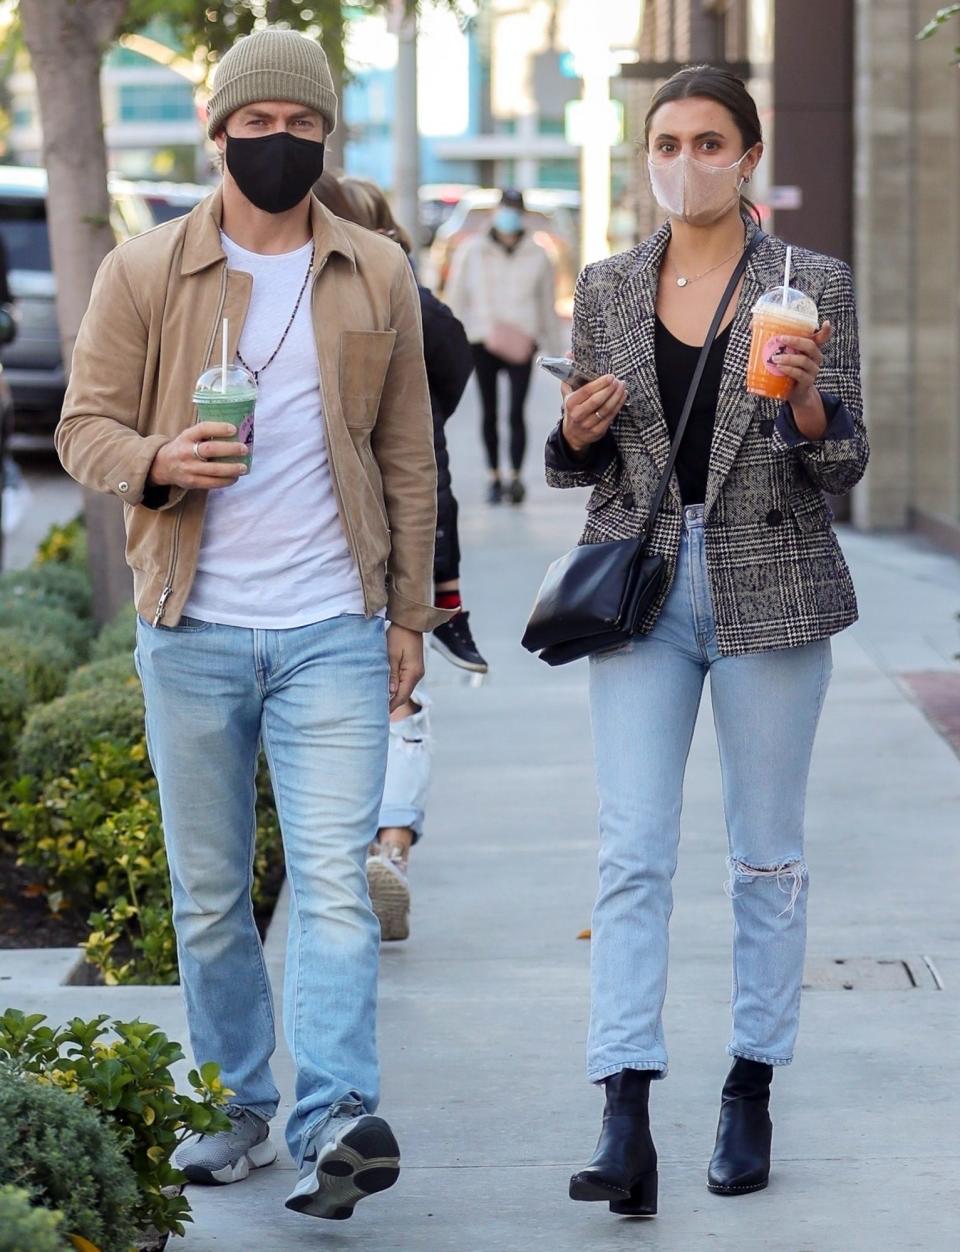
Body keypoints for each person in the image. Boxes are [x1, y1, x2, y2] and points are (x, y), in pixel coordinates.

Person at [56, 28, 448, 1223]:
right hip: (194, 626)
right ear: (219, 131)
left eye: (303, 125)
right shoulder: (144, 270)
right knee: (212, 891)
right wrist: (161, 461)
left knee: (333, 883)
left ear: (329, 135)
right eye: (258, 124)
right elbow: (84, 427)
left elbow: (407, 454)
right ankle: (236, 1109)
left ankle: (334, 1120)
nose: (280, 144)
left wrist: (409, 613)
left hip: (333, 620)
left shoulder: (376, 268)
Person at [547, 65, 869, 1216]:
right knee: (632, 849)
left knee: (765, 855)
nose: (684, 160)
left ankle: (750, 1082)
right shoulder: (608, 285)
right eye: (667, 141)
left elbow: (843, 463)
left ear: (748, 151)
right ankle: (623, 1106)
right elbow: (584, 461)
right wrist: (575, 431)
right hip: (645, 591)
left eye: (707, 140)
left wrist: (809, 404)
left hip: (771, 583)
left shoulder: (807, 280)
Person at [331, 174, 482, 941]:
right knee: (399, 701)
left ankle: (357, 849)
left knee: (344, 701)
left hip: (353, 527)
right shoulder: (422, 305)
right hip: (414, 522)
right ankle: (391, 847)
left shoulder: (354, 293)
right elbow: (450, 390)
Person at [445, 189, 562, 504]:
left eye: (514, 210)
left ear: (522, 214)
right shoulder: (472, 250)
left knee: (516, 412)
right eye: (504, 209)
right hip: (482, 337)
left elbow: (546, 304)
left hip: (523, 339)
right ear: (496, 212)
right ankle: (494, 475)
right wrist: (452, 340)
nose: (508, 216)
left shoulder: (538, 254)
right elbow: (457, 296)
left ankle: (516, 477)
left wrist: (556, 351)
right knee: (489, 411)